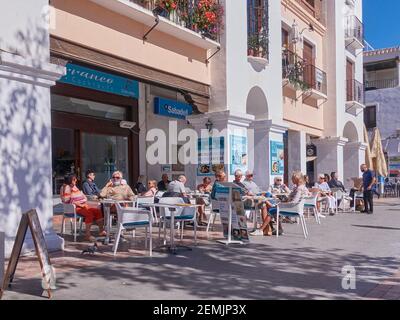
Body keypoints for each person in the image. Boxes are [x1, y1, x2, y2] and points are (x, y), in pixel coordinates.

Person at [259, 171, 311, 236]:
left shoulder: (299, 188)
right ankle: (276, 229)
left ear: (296, 179)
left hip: (292, 208)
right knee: (273, 207)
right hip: (296, 208)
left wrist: (283, 203)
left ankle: (261, 229)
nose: (291, 180)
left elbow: (294, 202)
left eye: (292, 179)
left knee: (271, 210)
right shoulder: (301, 187)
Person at [61, 174, 105, 242]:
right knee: (89, 213)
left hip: (82, 205)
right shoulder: (67, 187)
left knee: (97, 211)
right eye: (74, 179)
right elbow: (67, 200)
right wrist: (80, 204)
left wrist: (83, 200)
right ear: (70, 180)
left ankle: (101, 231)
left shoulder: (74, 186)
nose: (76, 180)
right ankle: (87, 235)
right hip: (75, 207)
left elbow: (81, 195)